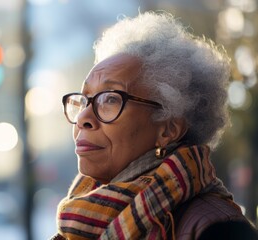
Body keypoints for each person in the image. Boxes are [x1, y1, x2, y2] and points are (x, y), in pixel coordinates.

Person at [51, 11, 258, 239]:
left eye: (110, 99)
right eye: (84, 100)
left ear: (168, 129)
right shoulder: (80, 218)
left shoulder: (218, 229)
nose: (83, 118)